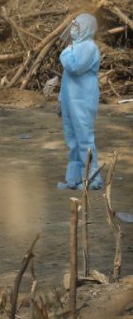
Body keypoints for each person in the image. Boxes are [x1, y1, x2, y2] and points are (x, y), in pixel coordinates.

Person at [57, 14, 103, 190]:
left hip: (83, 100)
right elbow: (66, 79)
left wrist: (66, 51)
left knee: (84, 139)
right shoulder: (76, 47)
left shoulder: (88, 47)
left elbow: (74, 67)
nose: (73, 30)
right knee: (73, 141)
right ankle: (75, 179)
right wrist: (61, 101)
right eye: (73, 26)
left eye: (77, 27)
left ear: (86, 29)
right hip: (70, 100)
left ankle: (93, 179)